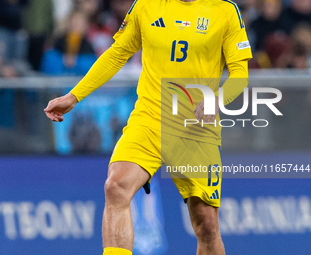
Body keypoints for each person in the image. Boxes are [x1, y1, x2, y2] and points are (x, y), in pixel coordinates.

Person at [44, 0, 252, 254]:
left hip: (195, 127)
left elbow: (240, 73)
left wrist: (217, 99)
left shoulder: (225, 10)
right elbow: (117, 53)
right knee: (116, 186)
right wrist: (74, 96)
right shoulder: (146, 5)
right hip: (150, 118)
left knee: (206, 224)